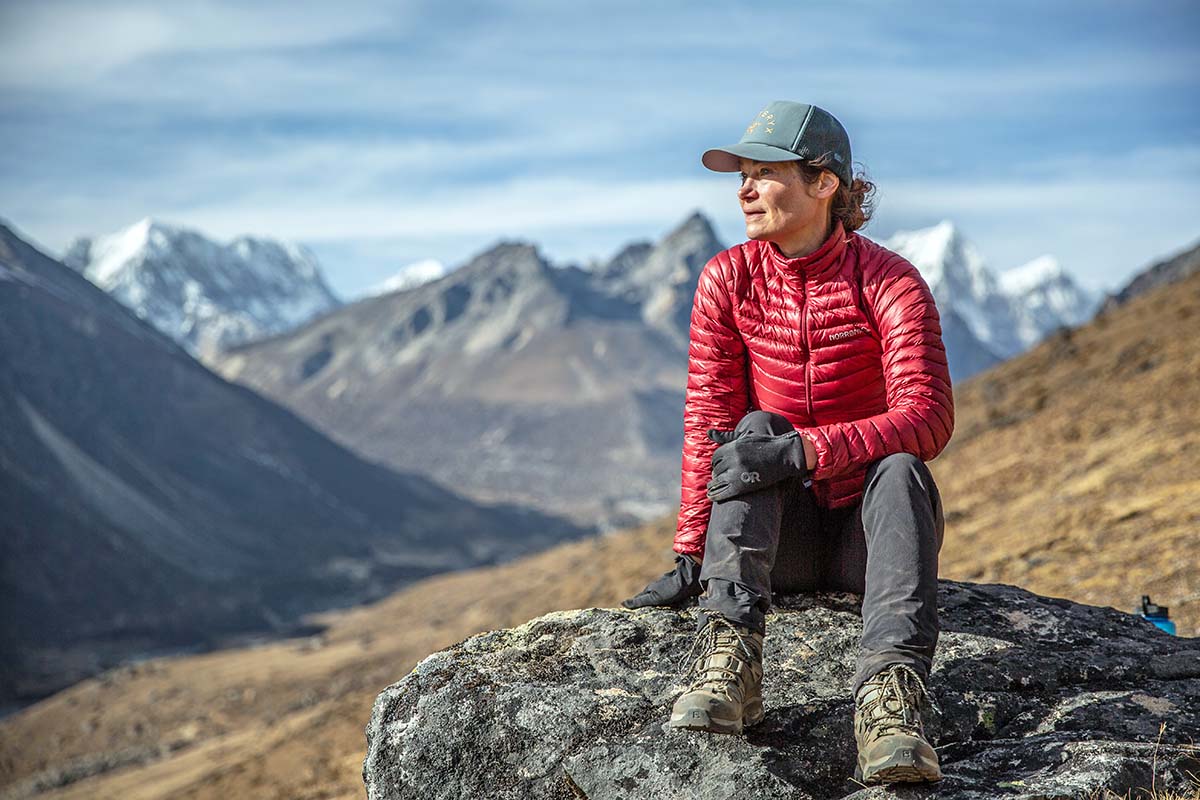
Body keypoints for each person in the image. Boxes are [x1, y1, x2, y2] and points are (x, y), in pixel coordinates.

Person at [622, 101, 954, 785]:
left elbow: (927, 417)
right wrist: (692, 552)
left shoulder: (889, 281)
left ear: (824, 183)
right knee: (753, 431)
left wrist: (803, 451)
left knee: (900, 469)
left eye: (763, 173)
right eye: (740, 174)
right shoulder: (729, 279)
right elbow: (709, 425)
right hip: (784, 543)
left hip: (871, 539)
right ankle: (731, 666)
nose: (743, 189)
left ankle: (890, 713)